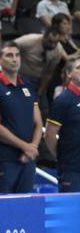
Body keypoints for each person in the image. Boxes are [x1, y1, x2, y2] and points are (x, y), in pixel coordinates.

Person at [0, 42, 43, 194]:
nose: (14, 59)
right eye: (9, 55)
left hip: (28, 159)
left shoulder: (28, 86)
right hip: (4, 160)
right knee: (1, 208)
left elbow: (38, 122)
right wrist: (25, 147)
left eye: (17, 55)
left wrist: (32, 148)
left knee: (24, 207)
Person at [44, 54, 80, 192]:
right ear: (69, 74)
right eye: (79, 68)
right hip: (72, 170)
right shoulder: (63, 100)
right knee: (73, 211)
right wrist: (61, 158)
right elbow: (49, 135)